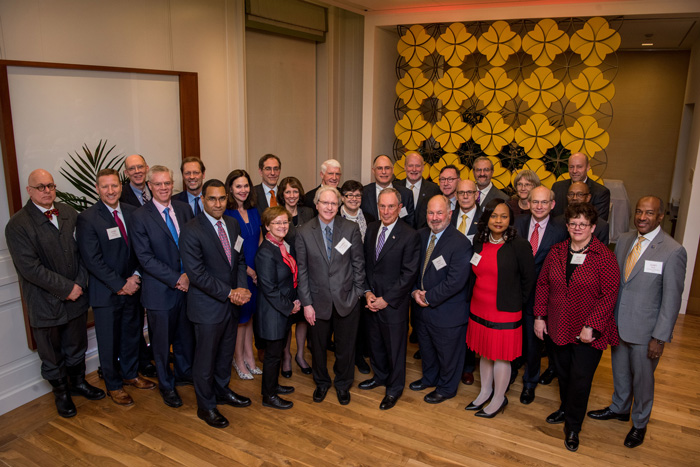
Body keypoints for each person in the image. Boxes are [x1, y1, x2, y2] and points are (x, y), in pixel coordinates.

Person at [587, 196, 687, 448]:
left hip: (646, 332)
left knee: (643, 381)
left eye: (649, 213)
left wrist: (659, 337)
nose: (642, 217)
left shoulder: (673, 251)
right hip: (618, 323)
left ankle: (640, 422)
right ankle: (619, 409)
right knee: (620, 373)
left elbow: (672, 300)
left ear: (661, 216)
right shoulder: (623, 240)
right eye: (639, 212)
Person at [6, 169, 105, 417]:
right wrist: (66, 288)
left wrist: (79, 284)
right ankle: (61, 394)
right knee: (51, 353)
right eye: (40, 187)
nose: (47, 190)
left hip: (77, 298)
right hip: (44, 303)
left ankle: (79, 383)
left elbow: (84, 253)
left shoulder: (69, 213)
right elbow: (30, 268)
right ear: (29, 191)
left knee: (76, 345)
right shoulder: (17, 225)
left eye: (50, 185)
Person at [534, 202, 620, 452]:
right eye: (573, 223)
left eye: (583, 224)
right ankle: (565, 407)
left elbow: (609, 295)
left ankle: (573, 426)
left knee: (580, 379)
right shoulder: (557, 251)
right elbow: (543, 285)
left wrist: (591, 326)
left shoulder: (604, 256)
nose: (577, 228)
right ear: (567, 226)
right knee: (563, 373)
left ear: (593, 227)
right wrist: (539, 316)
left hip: (587, 331)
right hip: (558, 324)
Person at [76, 168, 154, 407]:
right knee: (108, 341)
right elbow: (92, 260)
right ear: (98, 189)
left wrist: (135, 278)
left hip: (133, 288)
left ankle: (130, 374)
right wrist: (121, 284)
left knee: (132, 334)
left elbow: (142, 248)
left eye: (114, 186)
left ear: (121, 187)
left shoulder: (133, 213)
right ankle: (113, 385)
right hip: (106, 293)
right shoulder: (88, 218)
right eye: (105, 187)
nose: (111, 191)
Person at [179, 179, 252, 428]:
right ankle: (206, 406)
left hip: (231, 305)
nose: (218, 203)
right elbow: (196, 274)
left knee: (224, 355)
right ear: (202, 200)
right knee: (206, 359)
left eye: (222, 198)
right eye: (212, 198)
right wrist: (231, 292)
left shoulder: (232, 224)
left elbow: (239, 260)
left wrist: (241, 289)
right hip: (207, 307)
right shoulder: (191, 229)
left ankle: (222, 391)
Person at [131, 165, 196, 405]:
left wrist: (189, 274)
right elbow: (145, 258)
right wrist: (176, 278)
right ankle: (166, 385)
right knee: (160, 343)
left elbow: (192, 245)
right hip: (160, 291)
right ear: (149, 186)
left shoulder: (184, 208)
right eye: (158, 184)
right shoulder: (139, 216)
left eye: (167, 183)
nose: (163, 187)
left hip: (188, 287)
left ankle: (183, 374)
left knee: (184, 337)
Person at [296, 186, 365, 405]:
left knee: (346, 347)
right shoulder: (304, 231)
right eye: (324, 203)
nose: (329, 207)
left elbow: (358, 265)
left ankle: (343, 384)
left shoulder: (351, 228)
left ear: (339, 205)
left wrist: (356, 295)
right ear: (316, 205)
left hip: (347, 300)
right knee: (318, 347)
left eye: (333, 203)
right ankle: (322, 382)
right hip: (317, 302)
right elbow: (302, 270)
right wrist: (306, 303)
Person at [466, 199, 535, 418]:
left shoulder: (519, 245)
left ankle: (498, 398)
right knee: (485, 353)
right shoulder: (479, 241)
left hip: (505, 309)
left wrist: (516, 303)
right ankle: (485, 392)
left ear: (510, 220)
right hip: (479, 306)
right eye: (494, 216)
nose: (498, 220)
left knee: (501, 356)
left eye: (504, 216)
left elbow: (528, 280)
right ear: (487, 218)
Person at [359, 188, 421, 410]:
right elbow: (367, 264)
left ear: (400, 208)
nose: (386, 211)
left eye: (391, 206)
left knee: (395, 348)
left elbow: (409, 274)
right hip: (371, 300)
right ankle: (380, 377)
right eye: (382, 206)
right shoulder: (373, 228)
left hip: (393, 304)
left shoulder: (410, 235)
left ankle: (394, 388)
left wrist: (386, 299)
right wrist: (367, 292)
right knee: (375, 344)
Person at [409, 195, 471, 404]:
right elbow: (411, 270)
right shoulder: (419, 235)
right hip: (421, 307)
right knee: (426, 348)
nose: (435, 218)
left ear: (450, 214)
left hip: (447, 311)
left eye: (439, 213)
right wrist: (415, 291)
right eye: (430, 213)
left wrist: (428, 297)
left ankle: (446, 387)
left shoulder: (460, 243)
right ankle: (429, 378)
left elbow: (456, 281)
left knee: (448, 354)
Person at [513, 186, 567, 405]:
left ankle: (529, 383)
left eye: (544, 202)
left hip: (543, 296)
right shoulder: (518, 224)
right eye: (535, 202)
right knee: (513, 337)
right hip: (515, 292)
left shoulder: (561, 230)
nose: (539, 206)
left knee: (534, 343)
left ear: (552, 205)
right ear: (528, 203)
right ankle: (509, 374)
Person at [255, 206, 301, 410]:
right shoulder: (265, 252)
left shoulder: (282, 246)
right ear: (267, 226)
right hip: (273, 312)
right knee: (273, 355)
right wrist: (290, 307)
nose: (283, 226)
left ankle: (272, 386)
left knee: (278, 351)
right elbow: (270, 289)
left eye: (285, 222)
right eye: (277, 223)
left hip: (281, 311)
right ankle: (269, 396)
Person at [118, 153, 157, 377]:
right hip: (134, 268)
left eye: (140, 167)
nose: (136, 171)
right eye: (131, 169)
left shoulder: (156, 189)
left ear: (146, 167)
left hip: (156, 268)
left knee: (154, 315)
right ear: (126, 173)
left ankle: (154, 353)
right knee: (134, 320)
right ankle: (143, 360)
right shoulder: (119, 196)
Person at [224, 169, 262, 379]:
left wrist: (259, 269)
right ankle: (238, 360)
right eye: (238, 186)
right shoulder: (227, 214)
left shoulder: (254, 210)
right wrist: (248, 270)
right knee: (240, 320)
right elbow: (231, 248)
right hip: (240, 273)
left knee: (250, 319)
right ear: (230, 188)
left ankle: (250, 357)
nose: (243, 190)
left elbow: (259, 240)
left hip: (256, 273)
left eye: (246, 186)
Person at [276, 176, 314, 376]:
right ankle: (287, 357)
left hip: (307, 271)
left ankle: (300, 355)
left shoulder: (308, 212)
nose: (292, 195)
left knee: (303, 317)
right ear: (282, 194)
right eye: (288, 191)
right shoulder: (278, 215)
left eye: (295, 191)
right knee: (288, 317)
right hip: (286, 273)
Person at [339, 180, 373, 373]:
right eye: (349, 195)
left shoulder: (369, 217)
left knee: (361, 319)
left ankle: (359, 355)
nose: (353, 199)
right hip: (342, 277)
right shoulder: (334, 217)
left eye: (357, 195)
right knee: (345, 320)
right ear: (342, 197)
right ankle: (346, 356)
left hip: (364, 275)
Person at [451, 178, 481, 386]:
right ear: (456, 195)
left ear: (476, 194)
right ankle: (452, 362)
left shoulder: (485, 219)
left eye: (469, 192)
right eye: (461, 193)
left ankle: (468, 367)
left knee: (470, 323)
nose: (465, 196)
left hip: (475, 279)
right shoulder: (448, 216)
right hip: (450, 277)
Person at [551, 152, 611, 221]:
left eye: (579, 167)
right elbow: (551, 217)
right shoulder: (558, 187)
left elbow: (600, 223)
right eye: (571, 167)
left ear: (588, 167)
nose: (574, 171)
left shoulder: (600, 192)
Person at [360, 154, 415, 228]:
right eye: (379, 168)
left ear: (392, 170)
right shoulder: (363, 193)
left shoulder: (406, 194)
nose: (383, 172)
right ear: (373, 171)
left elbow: (410, 224)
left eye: (387, 168)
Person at [395, 151, 441, 229]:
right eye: (410, 166)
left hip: (425, 236)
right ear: (405, 167)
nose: (414, 169)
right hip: (399, 236)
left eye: (418, 166)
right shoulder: (395, 188)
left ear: (423, 168)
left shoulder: (434, 189)